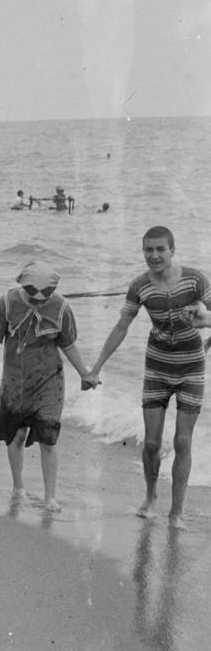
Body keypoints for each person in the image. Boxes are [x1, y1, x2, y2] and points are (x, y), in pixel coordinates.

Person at [84, 226, 211, 530]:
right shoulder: (140, 286)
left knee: (183, 440)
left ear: (172, 250)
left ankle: (176, 512)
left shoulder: (196, 280)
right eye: (148, 250)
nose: (154, 256)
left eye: (160, 250)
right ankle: (151, 496)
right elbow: (122, 326)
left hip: (191, 368)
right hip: (156, 368)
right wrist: (96, 367)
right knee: (151, 443)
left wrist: (205, 321)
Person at [0, 262, 96, 512]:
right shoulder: (7, 303)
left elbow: (68, 345)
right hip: (15, 381)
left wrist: (85, 373)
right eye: (32, 298)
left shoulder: (62, 308)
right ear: (21, 285)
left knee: (48, 439)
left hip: (49, 381)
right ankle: (18, 487)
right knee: (16, 435)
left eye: (43, 300)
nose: (37, 304)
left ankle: (50, 497)